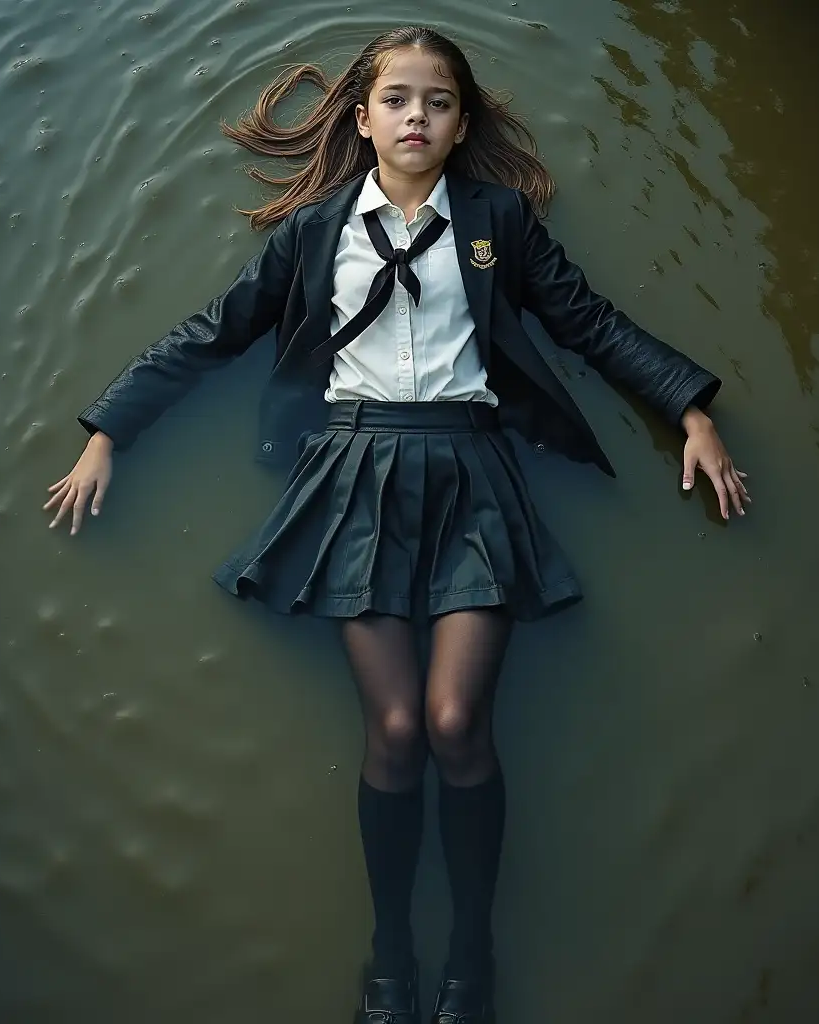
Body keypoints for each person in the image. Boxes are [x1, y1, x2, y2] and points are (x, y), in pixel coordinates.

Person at [44, 25, 749, 1023]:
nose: (417, 115)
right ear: (365, 119)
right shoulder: (315, 232)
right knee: (396, 727)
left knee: (459, 722)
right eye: (399, 100)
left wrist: (692, 410)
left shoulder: (496, 222)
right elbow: (217, 329)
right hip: (352, 473)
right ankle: (388, 950)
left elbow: (587, 322)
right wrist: (106, 429)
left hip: (473, 470)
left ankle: (469, 947)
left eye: (439, 101)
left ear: (461, 126)